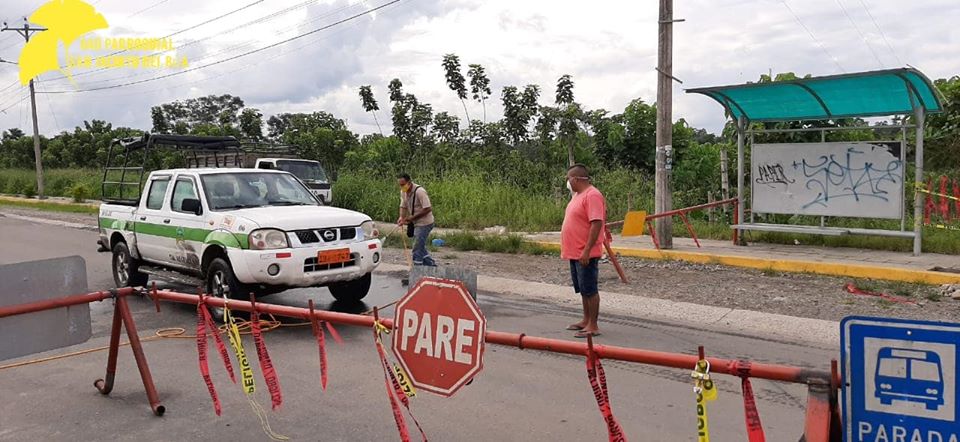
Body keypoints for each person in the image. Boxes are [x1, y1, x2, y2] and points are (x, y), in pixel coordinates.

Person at [561, 164, 607, 338]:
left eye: (568, 179)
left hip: (585, 252)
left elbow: (596, 223)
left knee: (590, 289)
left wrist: (587, 250)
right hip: (575, 251)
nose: (567, 182)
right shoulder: (577, 196)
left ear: (576, 179)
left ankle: (593, 325)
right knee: (582, 288)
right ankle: (586, 320)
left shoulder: (592, 195)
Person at [397, 173, 436, 267]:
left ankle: (417, 268)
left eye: (403, 184)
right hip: (415, 223)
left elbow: (428, 208)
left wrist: (411, 218)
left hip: (425, 223)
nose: (402, 187)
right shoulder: (403, 192)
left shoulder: (420, 191)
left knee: (417, 247)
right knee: (420, 246)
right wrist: (401, 217)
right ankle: (431, 265)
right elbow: (403, 206)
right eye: (400, 185)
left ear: (409, 182)